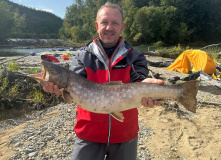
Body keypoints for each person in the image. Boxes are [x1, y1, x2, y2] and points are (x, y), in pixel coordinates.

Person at [42, 2, 164, 160]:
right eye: (104, 22)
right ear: (96, 25)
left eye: (115, 23)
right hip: (88, 134)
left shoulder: (135, 56)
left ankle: (181, 91)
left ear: (122, 27)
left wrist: (149, 88)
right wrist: (57, 88)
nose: (109, 27)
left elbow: (139, 81)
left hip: (125, 135)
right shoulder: (82, 57)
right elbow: (72, 87)